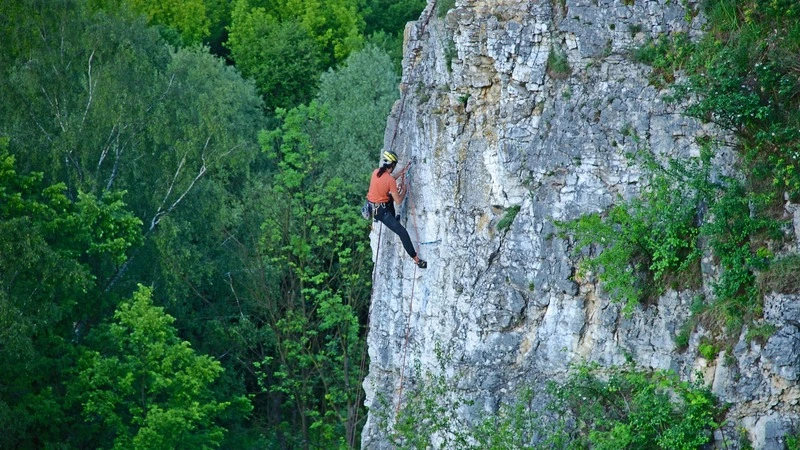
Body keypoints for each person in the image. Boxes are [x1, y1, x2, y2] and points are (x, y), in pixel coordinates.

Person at [366, 150, 427, 269]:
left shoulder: (376, 172)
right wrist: (404, 190)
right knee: (402, 232)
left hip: (373, 206)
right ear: (392, 165)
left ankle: (394, 219)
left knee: (389, 197)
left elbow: (387, 181)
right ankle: (417, 260)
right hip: (381, 212)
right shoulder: (390, 181)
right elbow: (398, 201)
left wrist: (401, 173)